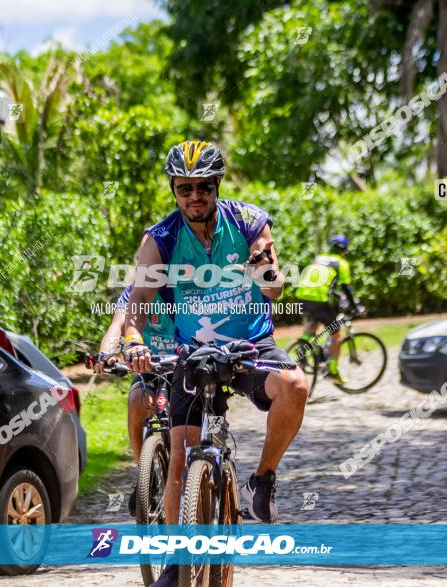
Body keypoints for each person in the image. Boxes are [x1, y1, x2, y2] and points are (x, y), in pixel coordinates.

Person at [121, 140, 309, 587]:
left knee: (295, 386)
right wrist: (132, 340)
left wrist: (265, 269)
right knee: (183, 459)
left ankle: (262, 479)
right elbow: (139, 301)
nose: (195, 197)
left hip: (249, 347)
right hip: (193, 354)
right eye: (184, 189)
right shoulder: (161, 238)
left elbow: (275, 291)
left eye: (203, 187)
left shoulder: (247, 222)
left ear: (217, 185)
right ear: (174, 189)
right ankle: (177, 561)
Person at [92, 284, 176, 516]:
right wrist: (105, 354)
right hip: (148, 363)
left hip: (184, 362)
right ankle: (145, 475)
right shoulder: (133, 293)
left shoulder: (185, 286)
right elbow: (117, 326)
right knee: (137, 401)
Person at [293, 235, 358, 384]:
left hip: (301, 295)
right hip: (319, 299)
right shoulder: (341, 263)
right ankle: (333, 372)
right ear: (344, 250)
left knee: (313, 323)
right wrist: (354, 306)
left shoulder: (320, 258)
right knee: (336, 334)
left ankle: (302, 346)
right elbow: (346, 287)